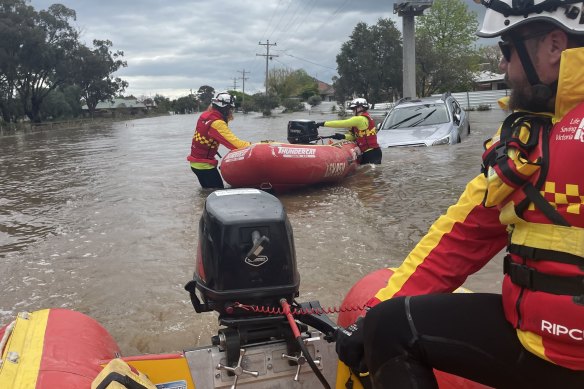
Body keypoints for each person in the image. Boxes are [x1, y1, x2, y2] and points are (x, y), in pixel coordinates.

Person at [335, 0, 584, 387]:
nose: (502, 65)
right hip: (536, 343)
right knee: (388, 325)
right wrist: (371, 315)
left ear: (554, 46)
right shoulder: (524, 140)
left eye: (506, 50)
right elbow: (461, 236)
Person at [187, 92, 251, 188]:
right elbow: (236, 145)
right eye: (230, 108)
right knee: (219, 193)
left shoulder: (205, 116)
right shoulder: (217, 123)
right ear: (225, 108)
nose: (231, 111)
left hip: (195, 164)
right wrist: (256, 145)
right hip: (205, 166)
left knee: (207, 193)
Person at [315, 98, 382, 164]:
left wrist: (322, 124)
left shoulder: (360, 119)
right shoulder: (364, 119)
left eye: (353, 109)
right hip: (372, 152)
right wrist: (342, 136)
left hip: (371, 154)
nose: (352, 111)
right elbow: (354, 137)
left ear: (360, 108)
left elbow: (342, 123)